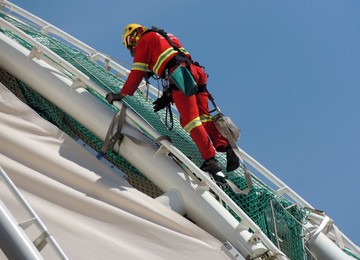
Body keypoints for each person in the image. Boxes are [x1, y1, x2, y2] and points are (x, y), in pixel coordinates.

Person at [106, 23, 239, 182]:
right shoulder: (167, 36)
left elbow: (137, 72)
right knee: (203, 117)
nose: (132, 48)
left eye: (130, 43)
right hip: (195, 73)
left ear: (134, 36)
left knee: (190, 121)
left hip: (179, 75)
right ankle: (226, 146)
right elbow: (170, 58)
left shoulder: (144, 41)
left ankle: (211, 161)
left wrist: (121, 94)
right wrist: (167, 89)